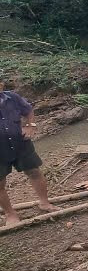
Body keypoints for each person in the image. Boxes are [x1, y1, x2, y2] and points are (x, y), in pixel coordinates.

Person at [0, 84, 54, 226]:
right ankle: (10, 214)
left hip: (20, 143)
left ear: (1, 85)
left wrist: (31, 126)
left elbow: (28, 110)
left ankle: (45, 203)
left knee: (34, 171)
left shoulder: (12, 97)